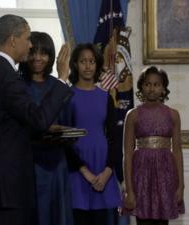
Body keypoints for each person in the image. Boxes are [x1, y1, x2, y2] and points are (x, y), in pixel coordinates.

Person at [0, 15, 73, 225]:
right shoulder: (8, 77)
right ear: (13, 40)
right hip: (5, 189)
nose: (30, 44)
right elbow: (38, 119)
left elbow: (3, 125)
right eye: (27, 38)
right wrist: (61, 78)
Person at [62, 43, 122, 225]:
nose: (88, 66)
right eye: (83, 61)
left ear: (97, 65)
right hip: (77, 169)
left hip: (103, 167)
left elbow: (114, 137)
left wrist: (107, 171)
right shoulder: (67, 95)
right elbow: (64, 139)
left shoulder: (106, 97)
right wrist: (84, 171)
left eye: (92, 61)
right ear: (75, 65)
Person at [18, 31, 73, 225]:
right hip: (30, 162)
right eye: (33, 52)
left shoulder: (58, 85)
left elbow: (68, 120)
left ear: (51, 57)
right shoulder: (18, 85)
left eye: (44, 53)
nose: (37, 58)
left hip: (56, 162)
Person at [123, 66, 185, 225]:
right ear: (141, 87)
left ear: (164, 87)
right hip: (141, 177)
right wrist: (129, 190)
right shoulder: (133, 115)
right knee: (142, 221)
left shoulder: (173, 115)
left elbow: (177, 151)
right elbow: (128, 154)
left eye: (156, 84)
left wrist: (181, 186)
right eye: (147, 84)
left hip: (165, 176)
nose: (152, 88)